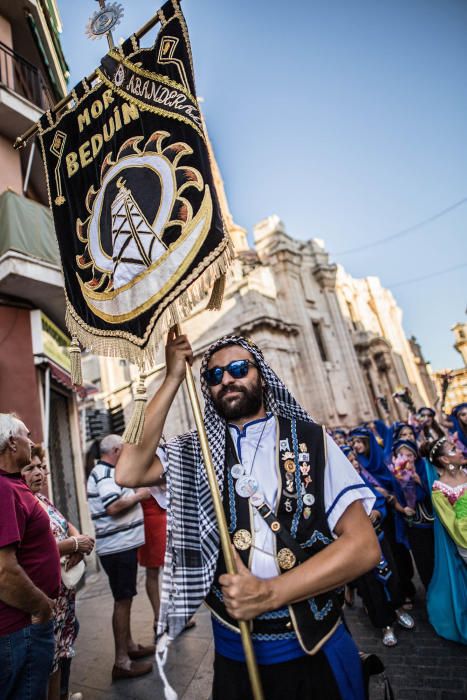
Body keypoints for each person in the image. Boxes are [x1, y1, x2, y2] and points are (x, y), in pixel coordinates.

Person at [116, 332, 381, 700]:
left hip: (311, 646)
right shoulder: (198, 454)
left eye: (239, 368)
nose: (226, 379)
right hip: (235, 656)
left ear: (261, 374)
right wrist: (173, 377)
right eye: (214, 375)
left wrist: (271, 593)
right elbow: (127, 472)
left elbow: (364, 547)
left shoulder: (310, 439)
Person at [21, 445, 94, 700]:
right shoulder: (20, 502)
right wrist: (74, 545)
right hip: (45, 595)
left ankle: (62, 695)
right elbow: (32, 548)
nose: (39, 473)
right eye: (30, 468)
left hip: (64, 593)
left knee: (64, 644)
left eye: (41, 467)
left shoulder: (41, 498)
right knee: (49, 656)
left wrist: (78, 539)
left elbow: (65, 523)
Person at [0, 413, 60, 700]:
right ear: (12, 443)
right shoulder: (2, 489)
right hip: (20, 628)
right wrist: (40, 607)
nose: (31, 441)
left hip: (25, 626)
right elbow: (3, 570)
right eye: (26, 435)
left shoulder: (11, 484)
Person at [86, 433, 154, 680]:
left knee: (125, 599)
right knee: (122, 601)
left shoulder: (106, 472)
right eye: (123, 450)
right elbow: (112, 507)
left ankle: (131, 647)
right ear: (115, 450)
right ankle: (122, 662)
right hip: (117, 548)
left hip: (121, 547)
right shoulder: (105, 474)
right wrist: (140, 495)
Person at [342, 446, 414, 647]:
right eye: (350, 461)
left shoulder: (363, 481)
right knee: (372, 586)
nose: (355, 464)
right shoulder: (338, 487)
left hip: (379, 539)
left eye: (355, 460)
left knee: (392, 575)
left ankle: (398, 609)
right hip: (359, 546)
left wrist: (377, 513)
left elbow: (379, 501)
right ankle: (385, 625)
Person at [421, 437, 467, 644]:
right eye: (454, 449)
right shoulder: (440, 490)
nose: (460, 451)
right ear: (444, 460)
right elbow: (452, 525)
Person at [388, 439, 434, 590]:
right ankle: (430, 589)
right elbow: (395, 499)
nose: (406, 458)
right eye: (401, 455)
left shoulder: (425, 469)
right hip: (415, 525)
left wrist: (419, 481)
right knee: (423, 561)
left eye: (409, 455)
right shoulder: (397, 475)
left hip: (433, 522)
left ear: (415, 456)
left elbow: (437, 493)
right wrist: (403, 509)